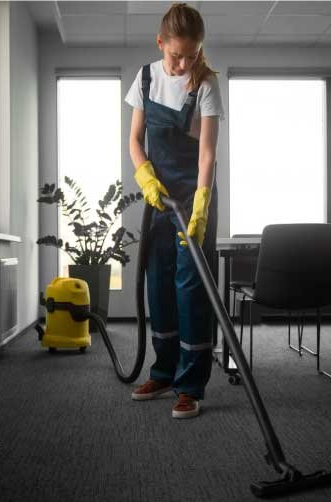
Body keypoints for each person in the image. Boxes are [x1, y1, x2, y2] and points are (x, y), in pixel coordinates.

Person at [123, 3, 225, 419]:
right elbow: (134, 139)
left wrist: (200, 204)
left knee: (191, 288)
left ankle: (191, 385)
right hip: (157, 199)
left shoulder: (205, 84)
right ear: (160, 43)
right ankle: (163, 372)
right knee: (158, 283)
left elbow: (207, 153)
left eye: (192, 55)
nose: (184, 63)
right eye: (176, 55)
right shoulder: (145, 78)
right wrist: (145, 177)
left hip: (193, 198)